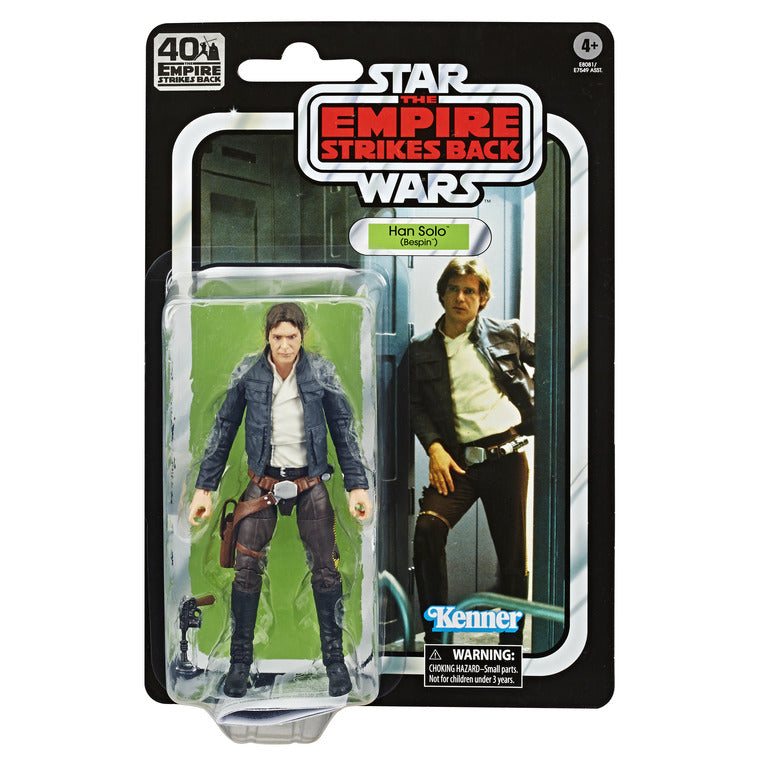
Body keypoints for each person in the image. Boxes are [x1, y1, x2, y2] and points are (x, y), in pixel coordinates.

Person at [188, 302, 371, 697]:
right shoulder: (250, 374)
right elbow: (223, 428)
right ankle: (239, 664)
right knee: (245, 571)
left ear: (302, 335)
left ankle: (335, 663)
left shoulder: (320, 372)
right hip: (263, 483)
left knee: (326, 570)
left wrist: (357, 484)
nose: (285, 345)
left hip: (310, 481)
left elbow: (344, 428)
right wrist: (205, 487)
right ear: (267, 337)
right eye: (277, 337)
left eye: (292, 336)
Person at [409, 257, 534, 645]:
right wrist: (434, 448)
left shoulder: (507, 333)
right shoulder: (421, 349)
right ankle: (437, 640)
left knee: (512, 557)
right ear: (442, 294)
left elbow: (558, 360)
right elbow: (415, 404)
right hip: (457, 463)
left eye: (470, 291)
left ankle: (511, 647)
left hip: (506, 458)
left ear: (482, 299)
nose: (460, 298)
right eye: (453, 289)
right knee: (428, 530)